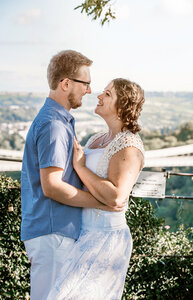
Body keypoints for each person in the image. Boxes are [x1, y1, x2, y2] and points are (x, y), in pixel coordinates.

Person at [21, 50, 122, 300]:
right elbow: (52, 186)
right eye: (85, 83)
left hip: (54, 232)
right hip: (53, 233)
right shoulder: (54, 125)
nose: (89, 91)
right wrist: (102, 203)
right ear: (66, 84)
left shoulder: (59, 121)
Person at [47, 78, 145, 300]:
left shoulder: (129, 146)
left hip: (106, 240)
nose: (99, 96)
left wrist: (80, 167)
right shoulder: (94, 140)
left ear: (123, 105)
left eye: (108, 94)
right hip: (81, 233)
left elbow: (117, 198)